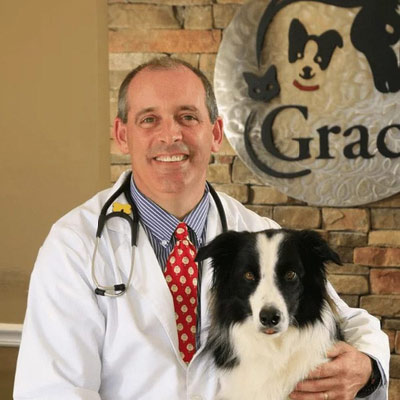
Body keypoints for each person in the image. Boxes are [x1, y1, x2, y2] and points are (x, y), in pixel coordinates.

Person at [14, 57, 389, 400]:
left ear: (215, 132)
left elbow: (345, 319)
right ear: (122, 134)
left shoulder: (258, 233)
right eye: (149, 119)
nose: (170, 135)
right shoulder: (75, 245)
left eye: (187, 117)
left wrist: (367, 369)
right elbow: (52, 389)